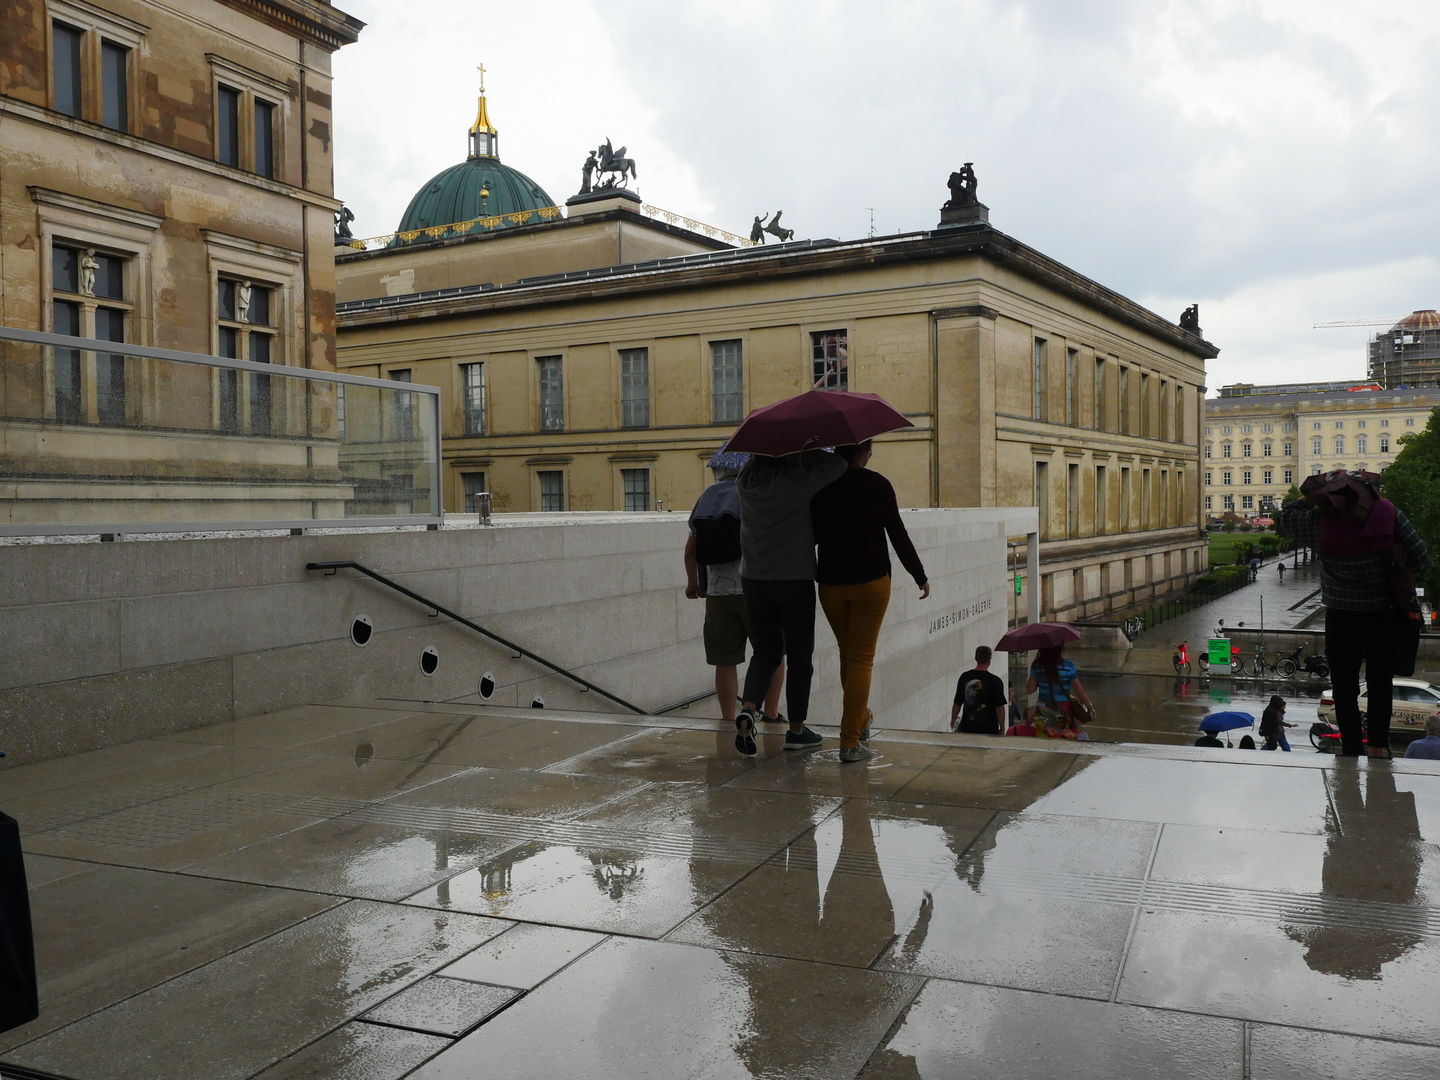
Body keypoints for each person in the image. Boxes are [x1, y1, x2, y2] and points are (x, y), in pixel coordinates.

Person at [1281, 470, 1429, 759]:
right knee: (1380, 684)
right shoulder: (1388, 512)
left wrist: (1318, 492)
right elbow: (1420, 556)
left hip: (1340, 615)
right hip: (1383, 613)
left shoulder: (1317, 521)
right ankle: (1377, 747)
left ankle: (1350, 749)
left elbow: (1288, 513)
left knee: (1344, 687)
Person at [811, 440, 929, 762]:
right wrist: (919, 575)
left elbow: (813, 536)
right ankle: (850, 742)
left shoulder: (821, 488)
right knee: (861, 660)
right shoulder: (878, 485)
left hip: (832, 584)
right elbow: (897, 533)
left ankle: (861, 720)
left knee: (848, 656)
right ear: (864, 451)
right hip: (871, 583)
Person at [733, 449, 849, 755]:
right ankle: (797, 730)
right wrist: (804, 452)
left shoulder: (744, 479)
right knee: (799, 656)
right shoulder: (796, 480)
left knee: (766, 652)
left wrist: (786, 454)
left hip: (754, 579)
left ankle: (747, 709)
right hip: (792, 579)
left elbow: (758, 460)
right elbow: (839, 463)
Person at [684, 468, 785, 734]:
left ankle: (728, 720)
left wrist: (692, 583)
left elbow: (690, 550)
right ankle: (771, 714)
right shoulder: (755, 493)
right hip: (755, 589)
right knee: (773, 653)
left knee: (724, 660)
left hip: (718, 594)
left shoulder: (707, 496)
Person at [1024, 644, 1095, 739]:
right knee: (1064, 741)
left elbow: (1029, 690)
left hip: (1043, 711)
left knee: (1044, 742)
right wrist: (1089, 707)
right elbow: (1079, 691)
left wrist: (1036, 668)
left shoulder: (1037, 665)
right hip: (1064, 711)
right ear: (1060, 648)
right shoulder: (1068, 665)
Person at [951, 645, 1006, 735]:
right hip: (989, 730)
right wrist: (1002, 728)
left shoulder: (965, 677)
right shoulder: (995, 681)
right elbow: (1000, 708)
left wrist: (953, 722)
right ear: (989, 660)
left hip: (968, 728)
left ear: (976, 658)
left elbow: (957, 704)